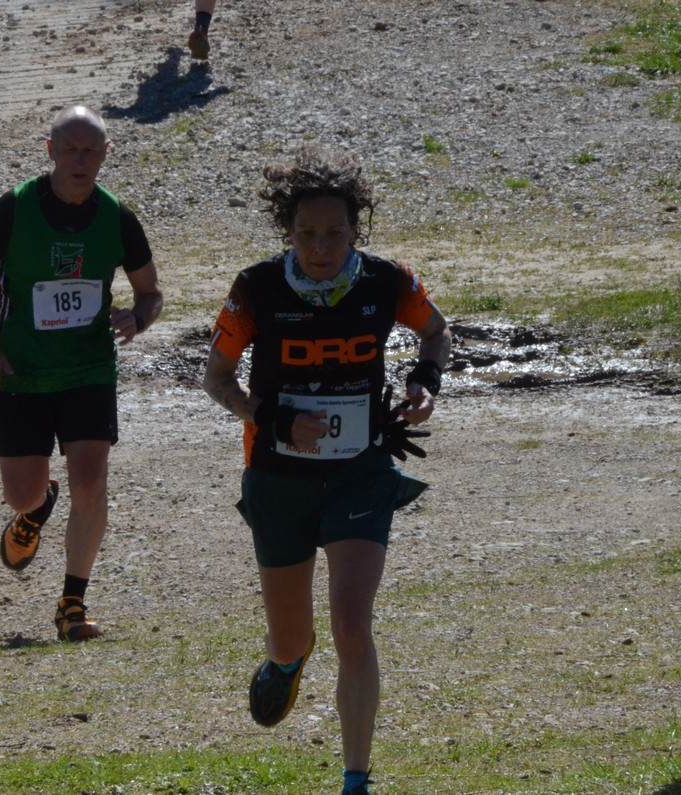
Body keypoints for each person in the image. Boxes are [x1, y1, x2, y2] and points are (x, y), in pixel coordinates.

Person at [203, 145, 452, 795]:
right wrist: (271, 417)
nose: (320, 248)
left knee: (351, 624)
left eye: (334, 233)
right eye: (306, 233)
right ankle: (286, 660)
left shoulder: (388, 282)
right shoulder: (255, 288)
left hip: (361, 473)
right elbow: (217, 378)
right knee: (293, 636)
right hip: (277, 478)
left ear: (355, 230)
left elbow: (437, 331)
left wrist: (425, 380)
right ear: (287, 230)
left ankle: (356, 779)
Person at [0, 104, 163, 642]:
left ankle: (73, 603)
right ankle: (34, 509)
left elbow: (151, 293)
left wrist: (137, 318)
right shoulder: (15, 209)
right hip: (19, 370)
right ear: (51, 151)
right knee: (21, 495)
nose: (80, 160)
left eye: (91, 150)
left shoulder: (118, 218)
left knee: (90, 482)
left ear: (106, 154)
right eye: (70, 149)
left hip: (89, 368)